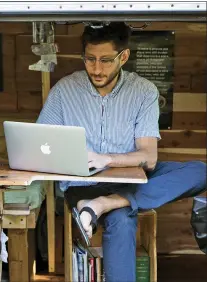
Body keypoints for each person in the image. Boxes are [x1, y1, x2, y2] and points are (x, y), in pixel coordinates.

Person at [36, 22, 207, 282]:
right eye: (90, 59)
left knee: (201, 172)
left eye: (105, 60)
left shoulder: (143, 91)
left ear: (123, 56)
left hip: (131, 176)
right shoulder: (64, 91)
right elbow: (40, 142)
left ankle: (104, 204)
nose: (96, 68)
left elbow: (148, 158)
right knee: (122, 220)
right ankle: (106, 203)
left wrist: (108, 159)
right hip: (85, 183)